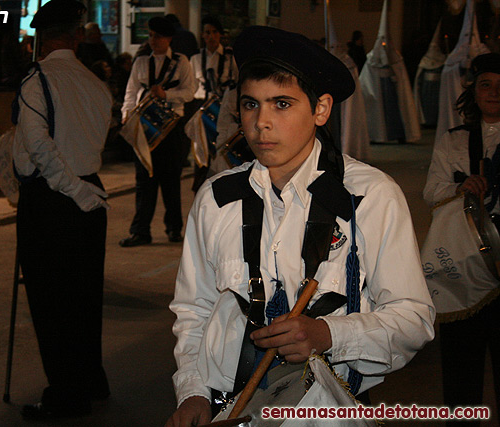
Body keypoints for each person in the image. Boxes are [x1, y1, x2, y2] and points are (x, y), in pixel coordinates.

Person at [166, 26, 435, 426]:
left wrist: (330, 335)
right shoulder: (216, 196)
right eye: (250, 105)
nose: (262, 124)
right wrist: (192, 392)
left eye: (282, 104)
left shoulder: (370, 197)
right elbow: (194, 309)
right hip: (228, 406)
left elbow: (414, 318)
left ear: (321, 109)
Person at [12, 0, 112, 419]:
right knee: (85, 296)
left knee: (52, 302)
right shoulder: (95, 82)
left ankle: (67, 396)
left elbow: (37, 144)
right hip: (90, 193)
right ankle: (89, 380)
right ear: (74, 36)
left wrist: (71, 189)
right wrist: (84, 191)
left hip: (56, 197)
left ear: (40, 38)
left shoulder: (38, 78)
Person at [423, 52, 500, 425]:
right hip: (464, 265)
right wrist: (460, 186)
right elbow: (431, 191)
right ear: (473, 91)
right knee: (460, 365)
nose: (494, 92)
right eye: (486, 84)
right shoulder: (452, 142)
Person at [119, 16, 196, 247]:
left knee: (170, 179)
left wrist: (167, 96)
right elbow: (131, 93)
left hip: (171, 128)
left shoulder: (181, 62)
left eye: (158, 36)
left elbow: (190, 92)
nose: (153, 40)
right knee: (144, 181)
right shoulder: (141, 62)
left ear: (169, 38)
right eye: (151, 35)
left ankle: (174, 228)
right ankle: (140, 231)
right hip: (145, 127)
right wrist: (126, 115)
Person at [188, 15, 237, 192]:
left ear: (220, 34)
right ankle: (200, 194)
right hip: (202, 108)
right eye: (207, 32)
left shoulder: (231, 57)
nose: (211, 36)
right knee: (201, 154)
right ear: (202, 35)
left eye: (214, 32)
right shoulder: (195, 59)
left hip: (223, 109)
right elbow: (192, 87)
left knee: (223, 153)